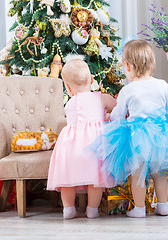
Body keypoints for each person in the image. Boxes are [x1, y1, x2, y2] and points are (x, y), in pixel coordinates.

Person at [90, 40, 168, 218]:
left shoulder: (128, 89)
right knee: (159, 173)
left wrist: (110, 117)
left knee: (137, 174)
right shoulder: (162, 85)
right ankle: (163, 206)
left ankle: (139, 208)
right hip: (160, 135)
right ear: (151, 63)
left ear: (128, 65)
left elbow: (118, 114)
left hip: (136, 137)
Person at [47, 59, 117, 219]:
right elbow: (117, 107)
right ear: (92, 80)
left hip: (70, 145)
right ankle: (92, 210)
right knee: (96, 180)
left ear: (68, 88)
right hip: (95, 144)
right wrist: (108, 116)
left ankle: (68, 209)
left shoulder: (70, 103)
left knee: (67, 179)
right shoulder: (101, 98)